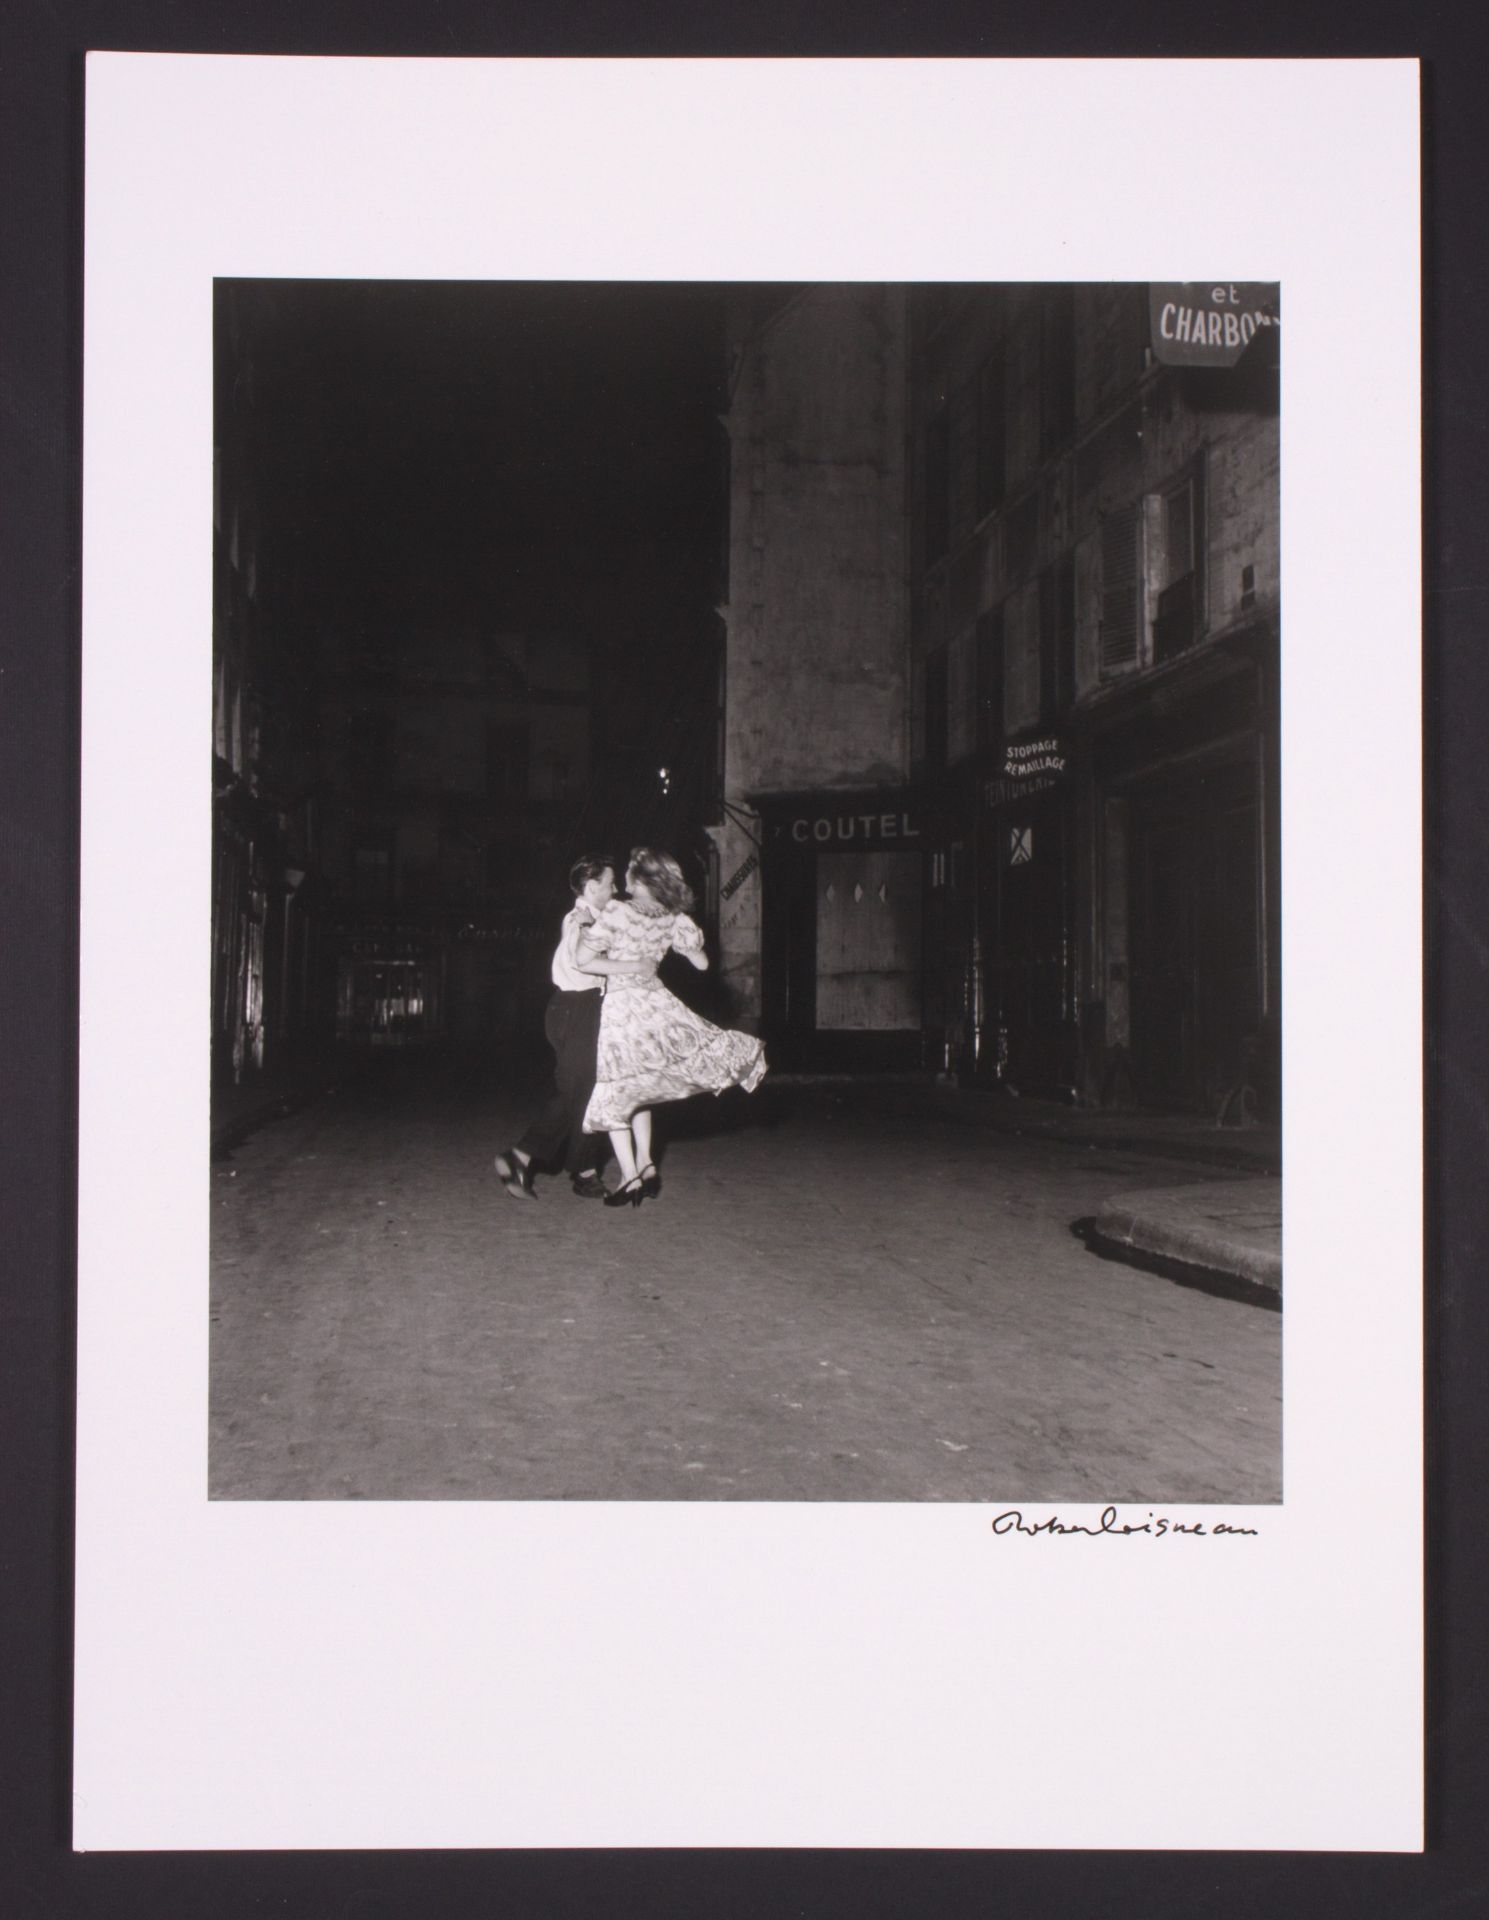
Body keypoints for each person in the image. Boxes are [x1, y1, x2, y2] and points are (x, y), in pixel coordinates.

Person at [578, 847, 767, 1209]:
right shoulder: (673, 916)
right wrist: (671, 945)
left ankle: (630, 1175)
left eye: (629, 874)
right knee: (641, 1086)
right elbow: (701, 963)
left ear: (640, 880)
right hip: (657, 1006)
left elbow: (583, 961)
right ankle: (647, 1163)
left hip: (623, 1009)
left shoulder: (618, 911)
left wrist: (632, 963)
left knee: (617, 1092)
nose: (624, 881)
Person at [493, 854, 650, 1201]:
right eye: (609, 884)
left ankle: (583, 1169)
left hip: (582, 1008)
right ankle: (523, 1156)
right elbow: (587, 957)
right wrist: (635, 963)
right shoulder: (583, 919)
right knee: (580, 1091)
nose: (615, 890)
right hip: (577, 1008)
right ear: (592, 888)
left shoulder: (592, 916)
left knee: (592, 1091)